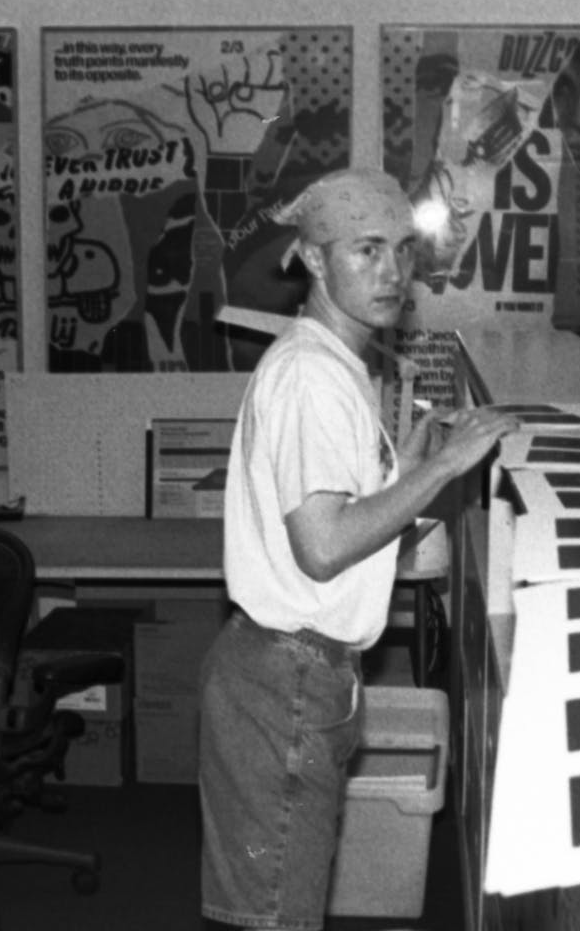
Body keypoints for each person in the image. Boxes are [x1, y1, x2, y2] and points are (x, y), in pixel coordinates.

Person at [198, 168, 519, 931]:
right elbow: (322, 546)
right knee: (277, 913)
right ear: (313, 260)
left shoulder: (338, 363)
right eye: (366, 251)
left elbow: (346, 521)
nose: (393, 275)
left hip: (299, 676)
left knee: (280, 906)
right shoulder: (313, 375)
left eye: (403, 251)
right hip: (287, 679)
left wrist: (400, 475)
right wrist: (444, 468)